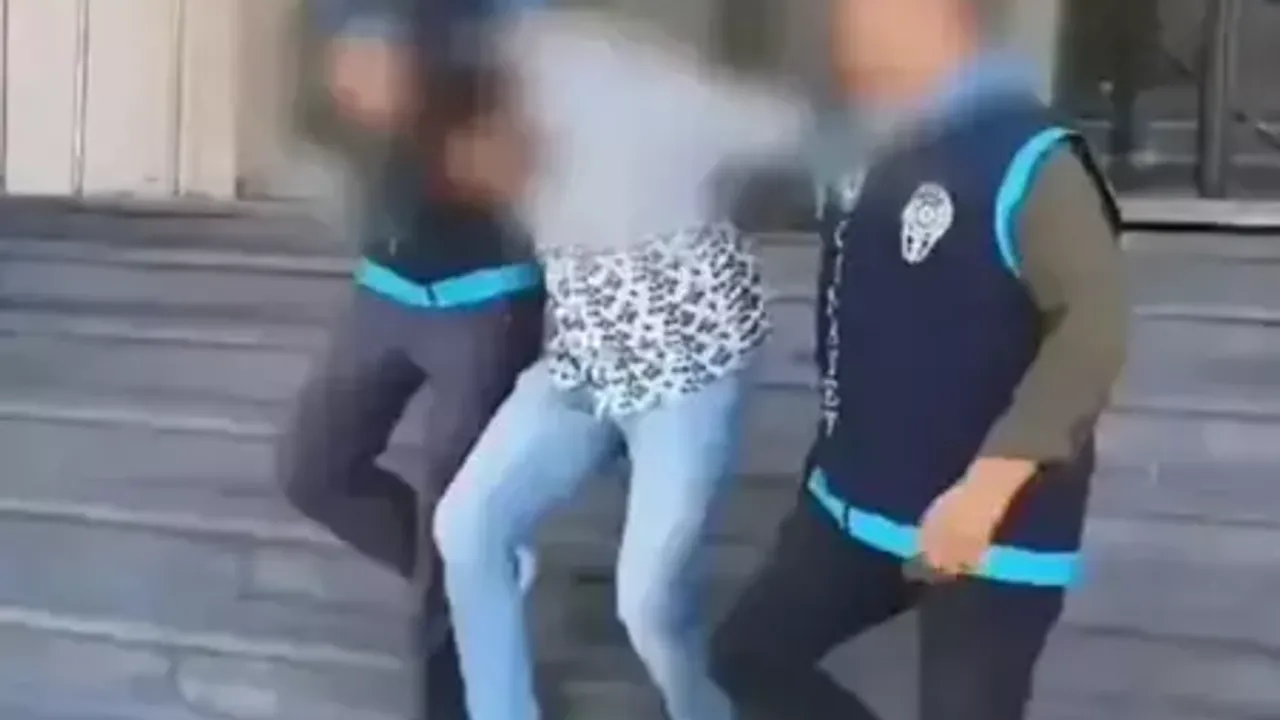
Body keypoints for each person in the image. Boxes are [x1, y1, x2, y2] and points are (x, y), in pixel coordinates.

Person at [708, 1, 1129, 719]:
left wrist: (987, 491)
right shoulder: (863, 142)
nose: (851, 41)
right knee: (748, 657)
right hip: (852, 504)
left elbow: (1093, 332)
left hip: (989, 529)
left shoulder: (1030, 157)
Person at [431, 10, 809, 720]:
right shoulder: (496, 111)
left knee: (648, 603)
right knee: (467, 527)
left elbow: (763, 127)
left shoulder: (618, 90)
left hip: (691, 375)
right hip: (584, 370)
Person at [277, 2, 542, 718]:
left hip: (488, 296)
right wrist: (348, 117)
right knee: (313, 470)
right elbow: (323, 116)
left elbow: (530, 149)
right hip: (385, 285)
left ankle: (463, 665)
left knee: (457, 523)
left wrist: (438, 120)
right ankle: (483, 578)